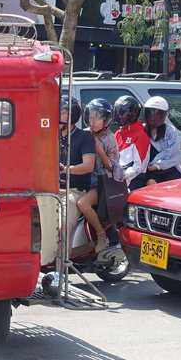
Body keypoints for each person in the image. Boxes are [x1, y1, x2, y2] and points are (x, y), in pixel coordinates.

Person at [59, 97, 105, 252]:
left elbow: (88, 166)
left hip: (75, 191)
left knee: (62, 224)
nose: (58, 114)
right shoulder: (53, 136)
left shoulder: (84, 137)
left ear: (72, 115)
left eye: (63, 111)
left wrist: (66, 169)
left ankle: (61, 267)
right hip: (52, 190)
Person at [78, 98, 118, 257]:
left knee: (83, 204)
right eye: (90, 116)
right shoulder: (85, 134)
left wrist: (99, 149)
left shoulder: (110, 138)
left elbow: (113, 167)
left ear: (106, 120)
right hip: (83, 181)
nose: (92, 121)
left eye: (97, 117)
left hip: (101, 184)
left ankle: (101, 235)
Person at [141, 95, 181, 185]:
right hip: (149, 171)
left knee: (175, 186)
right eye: (151, 112)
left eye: (158, 114)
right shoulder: (142, 130)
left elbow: (174, 156)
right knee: (151, 184)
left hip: (169, 168)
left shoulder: (170, 131)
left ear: (164, 115)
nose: (153, 116)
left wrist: (157, 165)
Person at [113, 95, 151, 186]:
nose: (119, 115)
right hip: (116, 177)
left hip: (133, 179)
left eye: (121, 112)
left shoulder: (141, 135)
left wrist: (122, 176)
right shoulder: (118, 133)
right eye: (117, 111)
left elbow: (138, 167)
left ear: (132, 114)